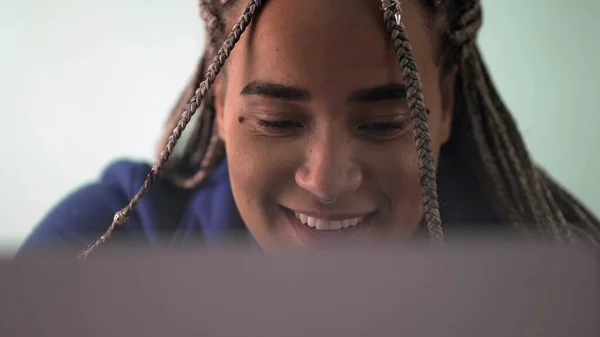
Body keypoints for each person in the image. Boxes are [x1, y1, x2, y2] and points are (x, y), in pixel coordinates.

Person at [18, 0, 600, 257]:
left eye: (383, 123)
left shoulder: (543, 259)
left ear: (443, 106)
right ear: (218, 99)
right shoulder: (98, 250)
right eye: (277, 121)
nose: (326, 179)